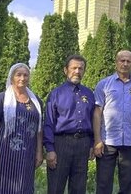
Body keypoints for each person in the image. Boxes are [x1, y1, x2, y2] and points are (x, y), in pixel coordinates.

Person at [0, 63, 43, 194]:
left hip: (26, 156)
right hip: (3, 154)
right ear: (12, 78)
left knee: (23, 188)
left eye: (25, 75)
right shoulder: (1, 99)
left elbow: (39, 130)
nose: (22, 78)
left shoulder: (36, 102)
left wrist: (39, 152)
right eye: (18, 75)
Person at [93, 50, 131, 194]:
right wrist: (97, 140)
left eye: (128, 61)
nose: (125, 63)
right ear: (116, 63)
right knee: (103, 184)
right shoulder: (104, 84)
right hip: (107, 141)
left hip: (130, 141)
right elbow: (97, 113)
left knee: (127, 184)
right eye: (122, 60)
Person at [44, 54, 96, 194]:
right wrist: (50, 149)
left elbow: (93, 120)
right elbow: (48, 123)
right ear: (65, 70)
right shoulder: (56, 94)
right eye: (74, 68)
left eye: (81, 68)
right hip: (61, 144)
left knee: (79, 188)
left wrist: (92, 144)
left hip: (83, 145)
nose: (77, 71)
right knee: (56, 187)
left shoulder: (89, 94)